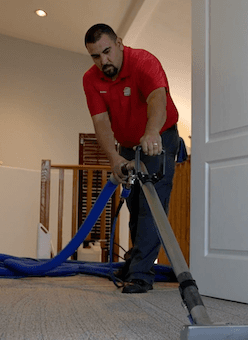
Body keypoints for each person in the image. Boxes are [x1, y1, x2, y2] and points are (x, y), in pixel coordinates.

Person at [82, 23, 180, 293]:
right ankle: (136, 260)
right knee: (135, 205)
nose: (103, 61)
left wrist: (151, 133)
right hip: (126, 146)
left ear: (120, 43)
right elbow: (100, 122)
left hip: (159, 136)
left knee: (152, 205)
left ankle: (140, 274)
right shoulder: (90, 79)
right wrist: (114, 157)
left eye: (107, 51)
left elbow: (157, 100)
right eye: (95, 56)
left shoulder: (143, 62)